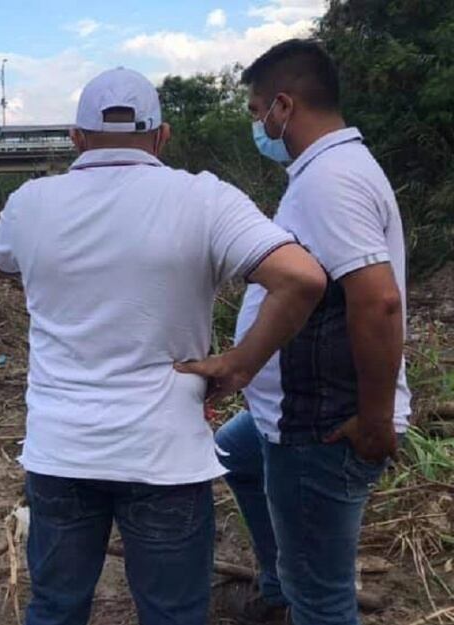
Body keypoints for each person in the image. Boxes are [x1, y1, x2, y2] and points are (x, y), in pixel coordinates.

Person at [0, 67, 327, 625]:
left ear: (75, 138)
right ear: (162, 137)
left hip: (61, 451)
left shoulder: (30, 203)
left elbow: (3, 260)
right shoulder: (205, 199)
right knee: (172, 614)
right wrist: (241, 364)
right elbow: (302, 279)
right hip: (163, 456)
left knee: (55, 607)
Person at [195, 39, 412, 625]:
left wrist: (373, 421)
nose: (256, 124)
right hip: (289, 413)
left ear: (283, 106)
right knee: (233, 452)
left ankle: (297, 597)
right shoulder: (328, 170)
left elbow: (380, 302)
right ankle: (278, 590)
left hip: (320, 427)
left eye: (255, 110)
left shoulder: (330, 182)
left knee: (324, 600)